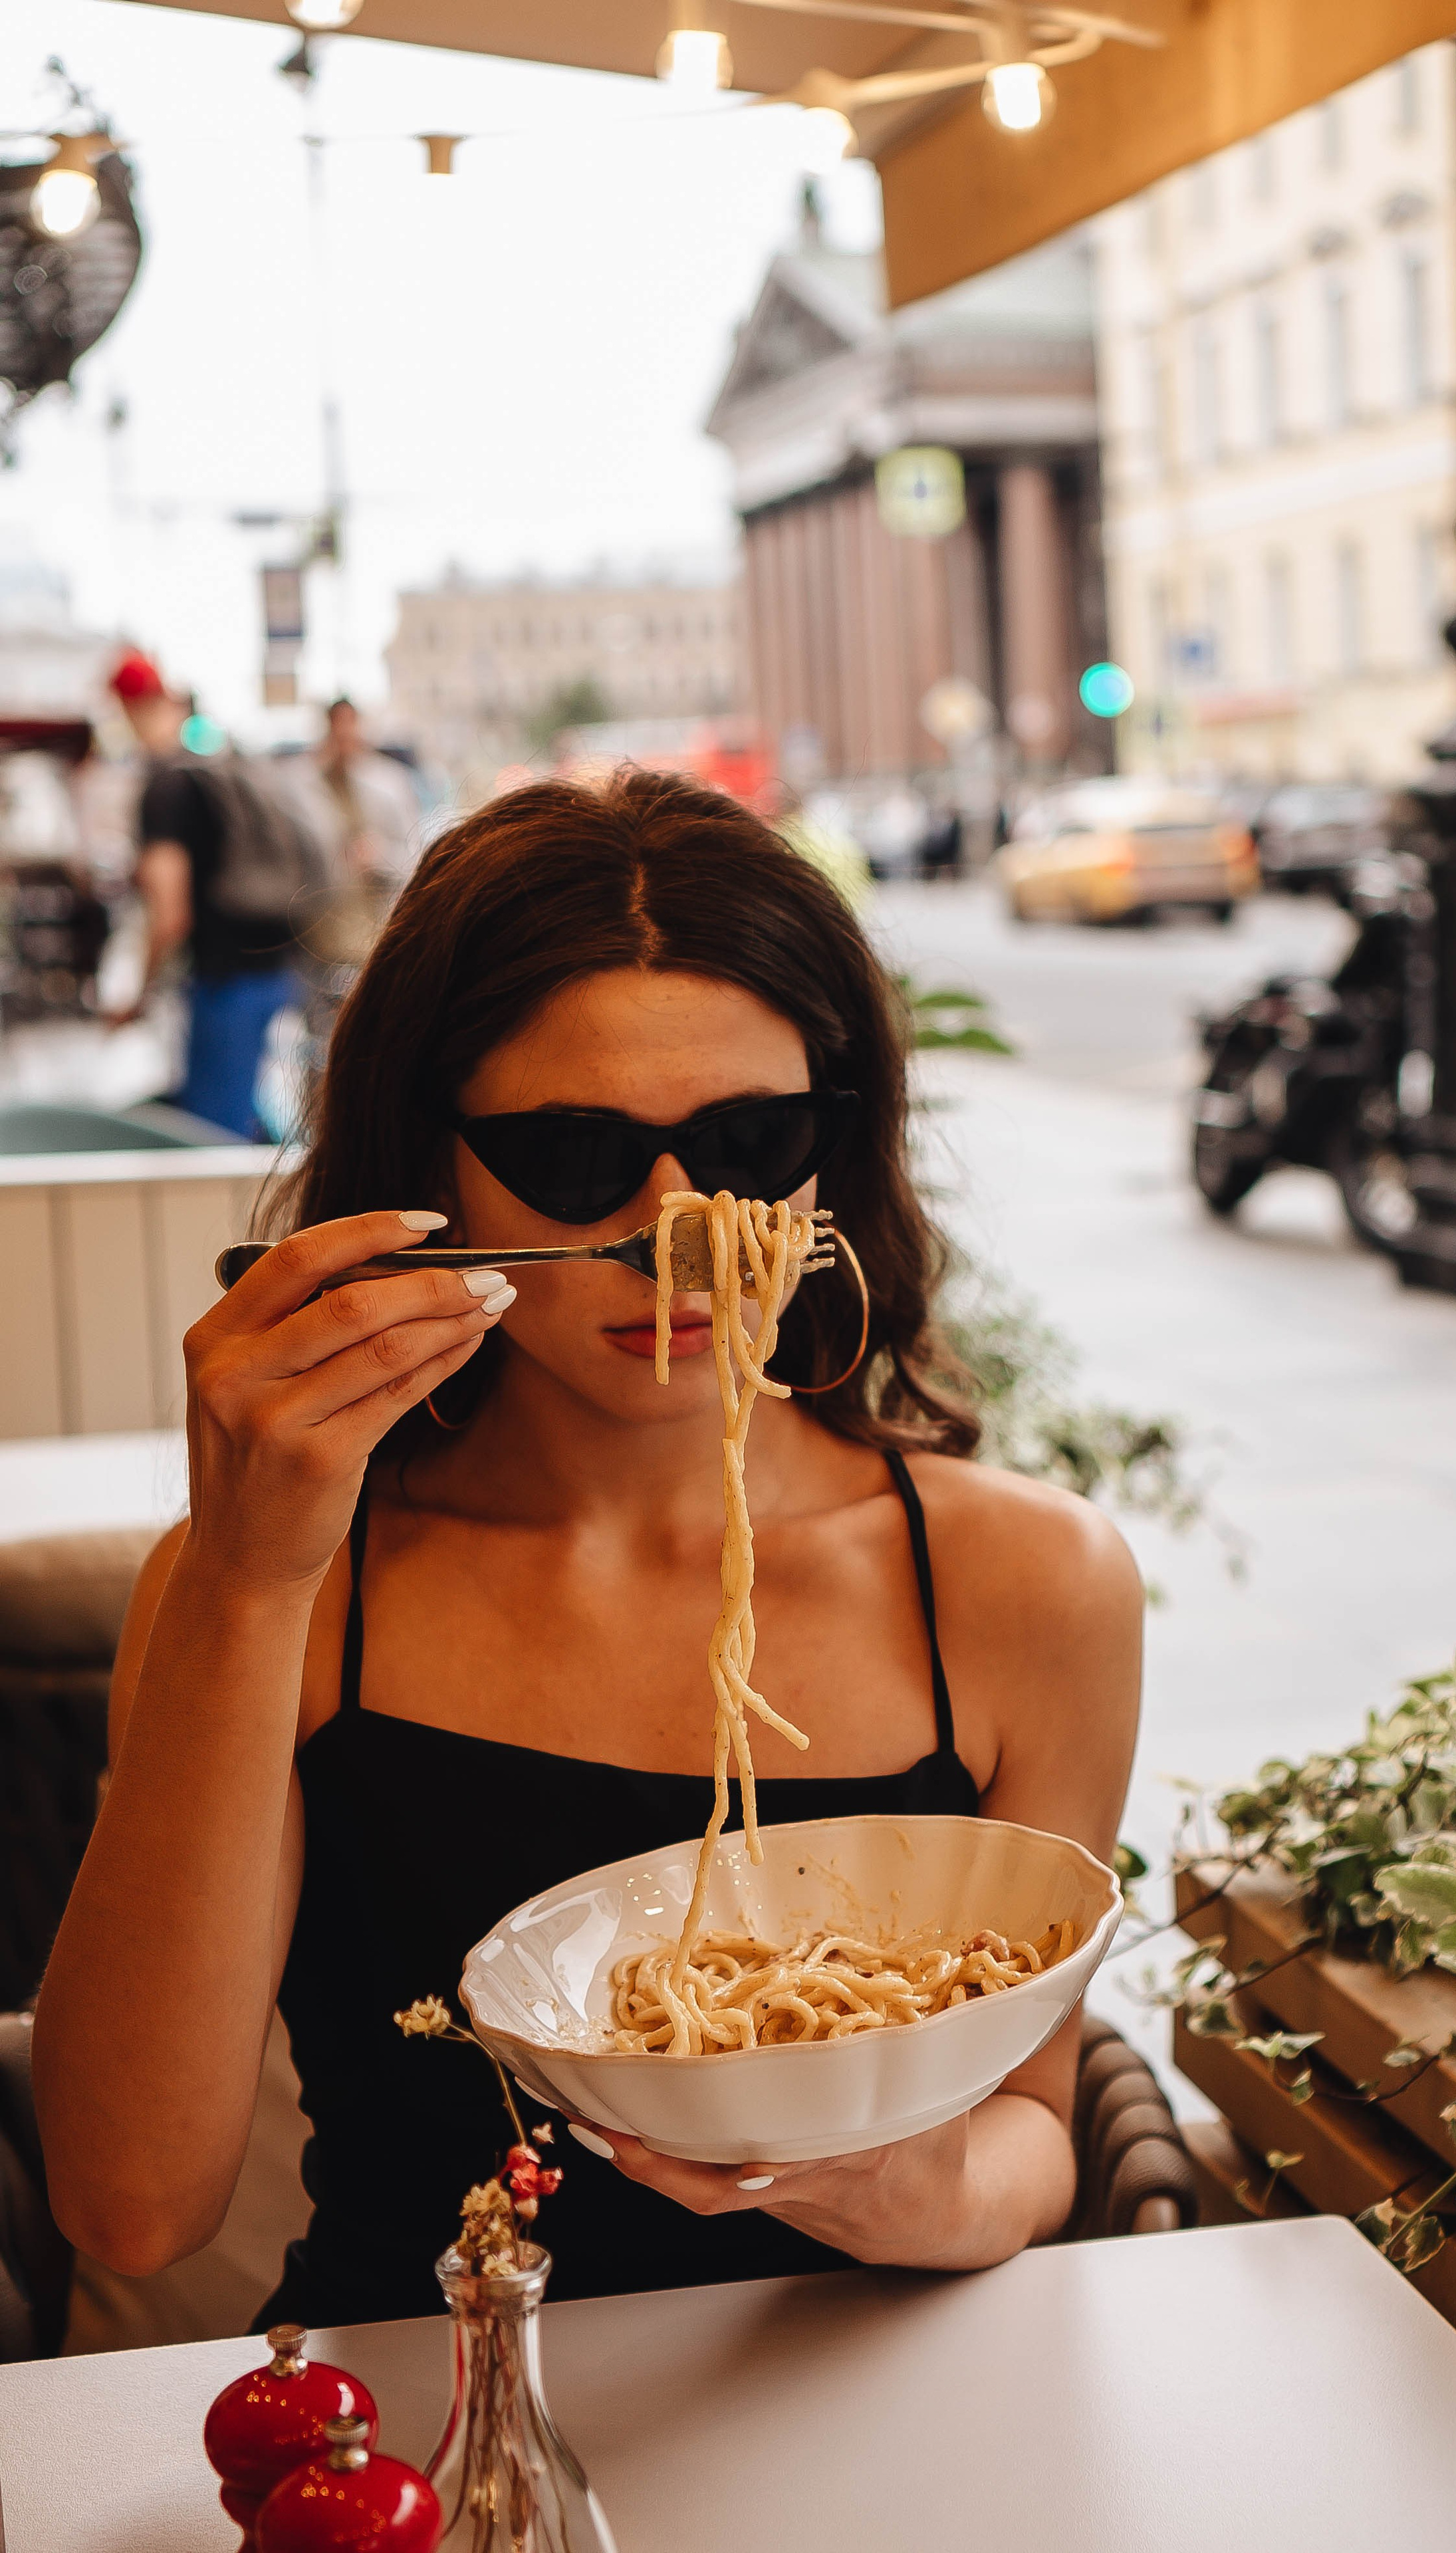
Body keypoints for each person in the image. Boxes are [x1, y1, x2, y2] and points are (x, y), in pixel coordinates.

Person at [33, 768, 1142, 2328]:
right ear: (435, 1168)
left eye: (751, 1137)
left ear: (832, 1150)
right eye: (572, 1152)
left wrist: (904, 2188)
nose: (671, 1218)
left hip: (875, 2412)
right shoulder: (291, 1583)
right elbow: (131, 2202)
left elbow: (1030, 2115)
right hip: (428, 2424)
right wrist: (244, 1578)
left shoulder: (1024, 1586)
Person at [108, 650, 312, 1140]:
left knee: (214, 1139)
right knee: (246, 1112)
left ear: (129, 707)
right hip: (275, 969)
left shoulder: (166, 788)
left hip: (225, 982)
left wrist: (137, 995)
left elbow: (170, 916)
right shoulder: (217, 767)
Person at [273, 699, 422, 974]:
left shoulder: (389, 783)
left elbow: (415, 859)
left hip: (377, 935)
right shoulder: (299, 784)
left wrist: (380, 856)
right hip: (318, 940)